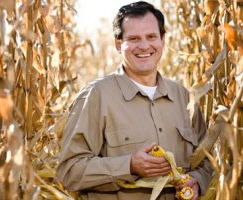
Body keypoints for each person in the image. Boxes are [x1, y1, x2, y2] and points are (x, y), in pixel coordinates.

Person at [56, 1, 212, 199]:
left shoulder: (183, 98)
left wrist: (197, 179)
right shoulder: (97, 96)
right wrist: (129, 165)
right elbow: (69, 172)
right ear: (118, 44)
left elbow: (207, 160)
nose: (144, 45)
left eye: (151, 37)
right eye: (134, 38)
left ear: (163, 40)